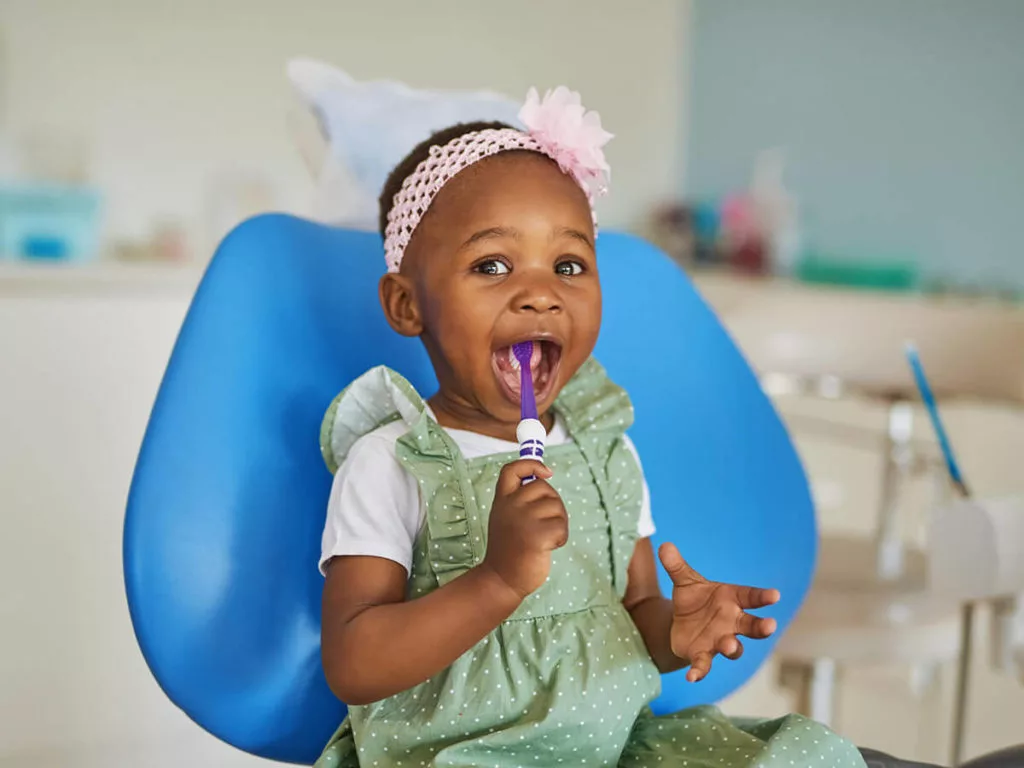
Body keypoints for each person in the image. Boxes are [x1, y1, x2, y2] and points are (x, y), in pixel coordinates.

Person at [314, 86, 866, 767]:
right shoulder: (394, 459)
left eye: (569, 265)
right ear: (406, 305)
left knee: (804, 755)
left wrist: (676, 629)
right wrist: (496, 579)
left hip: (613, 750)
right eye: (493, 265)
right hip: (461, 755)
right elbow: (354, 663)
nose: (541, 291)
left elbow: (636, 610)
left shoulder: (607, 452)